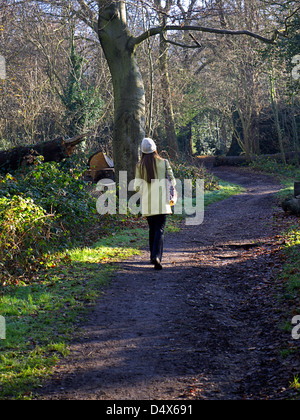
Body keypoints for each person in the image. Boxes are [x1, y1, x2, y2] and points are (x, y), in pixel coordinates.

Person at [134, 138, 176, 270]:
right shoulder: (164, 163)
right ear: (155, 149)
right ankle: (156, 256)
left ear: (142, 151)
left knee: (152, 228)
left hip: (148, 202)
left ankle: (153, 255)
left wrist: (145, 190)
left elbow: (136, 186)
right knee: (160, 229)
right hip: (162, 202)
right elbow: (173, 182)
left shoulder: (140, 165)